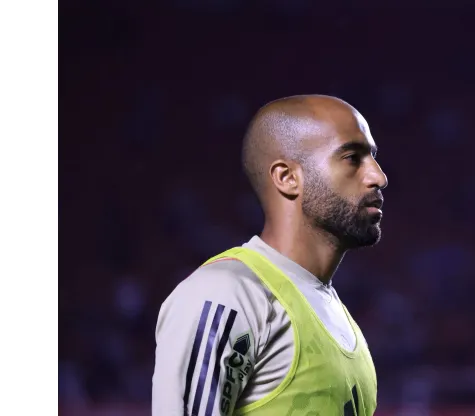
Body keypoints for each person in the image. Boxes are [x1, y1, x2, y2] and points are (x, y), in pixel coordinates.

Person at [152, 94, 388, 416]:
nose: (378, 176)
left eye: (372, 157)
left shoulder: (335, 313)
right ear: (287, 177)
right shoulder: (227, 294)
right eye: (351, 157)